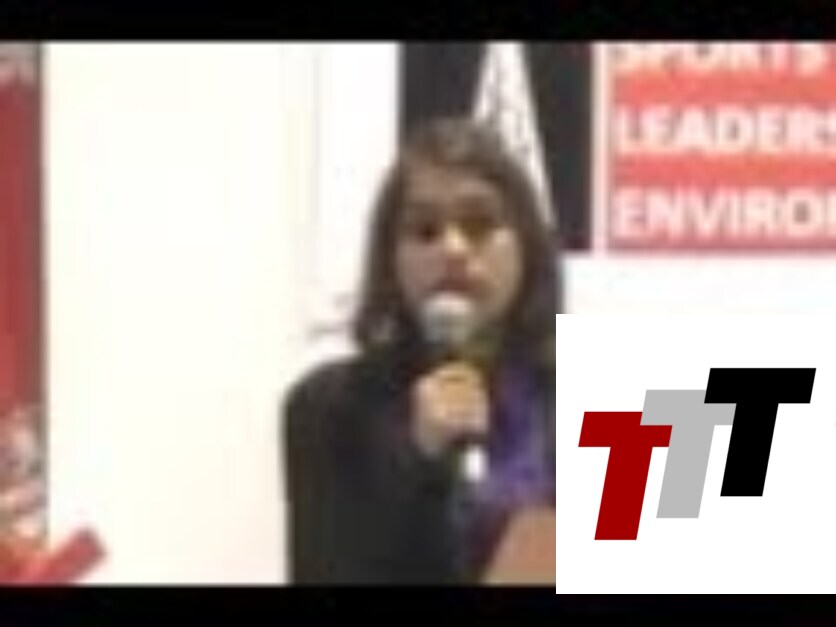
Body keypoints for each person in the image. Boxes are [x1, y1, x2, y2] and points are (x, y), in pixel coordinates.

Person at [282, 117, 560, 585]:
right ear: (391, 260)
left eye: (480, 224)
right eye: (425, 230)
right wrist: (420, 459)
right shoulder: (329, 408)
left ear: (527, 246)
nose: (452, 248)